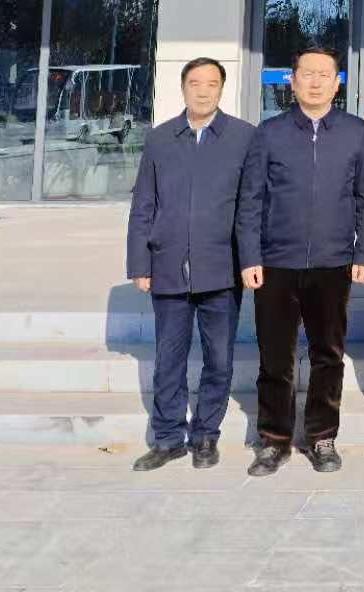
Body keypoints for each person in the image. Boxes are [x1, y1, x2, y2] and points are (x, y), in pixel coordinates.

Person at [240, 47, 364, 478]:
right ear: (291, 82)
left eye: (325, 75)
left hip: (333, 263)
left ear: (338, 84)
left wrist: (362, 253)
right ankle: (274, 439)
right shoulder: (270, 133)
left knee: (327, 354)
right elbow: (251, 201)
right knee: (275, 356)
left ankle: (321, 436)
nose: (315, 82)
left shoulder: (355, 133)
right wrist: (249, 255)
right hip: (276, 261)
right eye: (307, 74)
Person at [125, 57, 261, 472]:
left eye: (212, 83)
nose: (203, 91)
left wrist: (250, 259)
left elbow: (251, 207)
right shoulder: (161, 138)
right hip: (168, 266)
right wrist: (138, 262)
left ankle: (205, 436)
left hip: (221, 267)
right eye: (195, 83)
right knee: (169, 357)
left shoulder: (243, 137)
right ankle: (167, 438)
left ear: (222, 89)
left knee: (218, 358)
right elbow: (143, 204)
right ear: (183, 88)